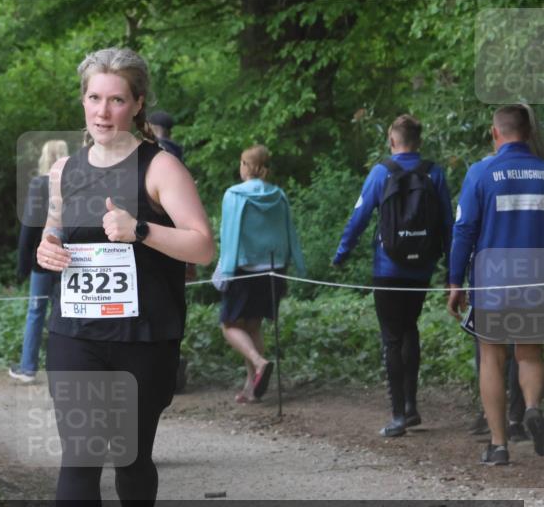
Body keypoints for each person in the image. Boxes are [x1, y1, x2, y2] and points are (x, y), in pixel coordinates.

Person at [36, 48, 215, 507]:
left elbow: (202, 246)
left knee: (130, 456)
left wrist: (139, 230)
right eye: (94, 98)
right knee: (81, 455)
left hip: (143, 335)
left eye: (116, 99)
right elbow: (53, 233)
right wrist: (48, 248)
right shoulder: (65, 169)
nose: (103, 110)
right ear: (82, 100)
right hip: (76, 331)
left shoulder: (159, 167)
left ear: (138, 104)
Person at [333, 115, 453, 437]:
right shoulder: (434, 172)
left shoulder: (381, 172)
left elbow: (359, 216)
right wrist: (453, 270)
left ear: (391, 140)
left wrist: (342, 254)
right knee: (409, 328)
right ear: (419, 140)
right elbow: (447, 223)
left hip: (388, 268)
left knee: (392, 336)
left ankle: (398, 415)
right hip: (421, 269)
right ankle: (411, 408)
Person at [448, 105, 544, 464]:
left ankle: (499, 445)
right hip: (537, 274)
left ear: (495, 133)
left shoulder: (481, 172)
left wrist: (455, 280)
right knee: (530, 353)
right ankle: (532, 408)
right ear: (529, 133)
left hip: (493, 278)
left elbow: (464, 230)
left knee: (492, 357)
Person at [216, 145, 305, 403]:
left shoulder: (234, 195)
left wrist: (225, 270)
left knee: (230, 325)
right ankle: (251, 386)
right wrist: (296, 264)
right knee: (253, 324)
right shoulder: (279, 195)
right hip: (274, 269)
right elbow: (289, 233)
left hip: (242, 269)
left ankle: (258, 361)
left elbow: (228, 235)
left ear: (245, 165)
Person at [9, 140, 69, 383]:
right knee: (64, 314)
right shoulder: (74, 182)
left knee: (36, 313)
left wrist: (22, 264)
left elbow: (29, 227)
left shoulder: (39, 184)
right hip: (70, 261)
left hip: (43, 261)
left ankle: (28, 367)